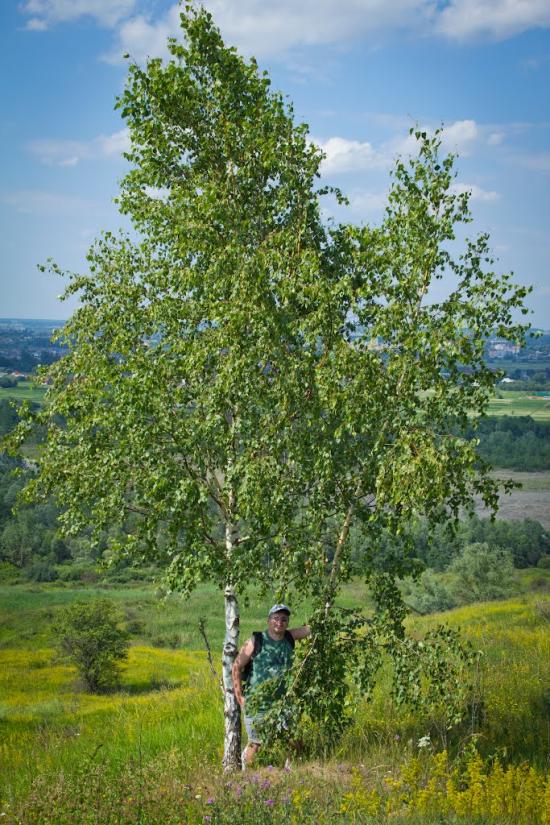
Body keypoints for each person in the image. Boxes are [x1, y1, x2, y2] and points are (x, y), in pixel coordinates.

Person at [232, 604, 310, 768]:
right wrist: (239, 697)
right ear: (269, 620)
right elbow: (237, 666)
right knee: (256, 743)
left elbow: (310, 629)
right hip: (257, 703)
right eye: (275, 618)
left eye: (284, 619)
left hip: (282, 702)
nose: (279, 622)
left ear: (287, 622)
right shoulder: (257, 640)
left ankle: (290, 771)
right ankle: (246, 775)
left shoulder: (289, 637)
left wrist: (327, 606)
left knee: (295, 738)